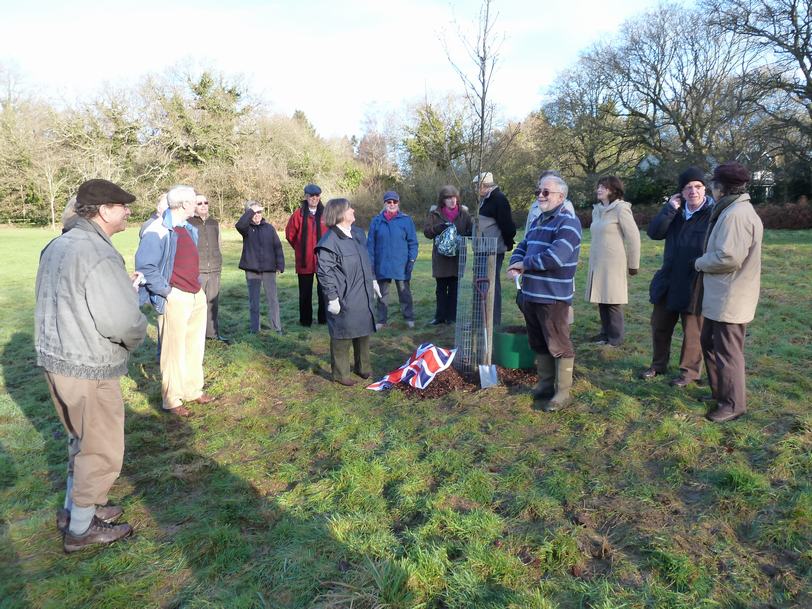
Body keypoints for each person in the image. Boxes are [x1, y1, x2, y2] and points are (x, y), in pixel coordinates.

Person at [35, 178, 147, 552]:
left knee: (79, 441)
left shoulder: (59, 244)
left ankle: (73, 509)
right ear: (103, 211)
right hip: (88, 366)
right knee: (100, 448)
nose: (128, 211)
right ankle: (81, 530)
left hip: (57, 359)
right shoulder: (97, 253)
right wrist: (137, 330)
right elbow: (119, 322)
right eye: (122, 206)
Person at [136, 184, 215, 417]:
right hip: (175, 295)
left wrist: (197, 286)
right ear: (183, 205)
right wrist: (167, 292)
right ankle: (172, 399)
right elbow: (146, 266)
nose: (197, 204)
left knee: (194, 345)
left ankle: (193, 390)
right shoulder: (157, 229)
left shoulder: (188, 228)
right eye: (193, 201)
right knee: (173, 350)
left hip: (195, 293)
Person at [694, 161, 762, 422]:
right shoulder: (730, 209)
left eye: (713, 184)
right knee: (709, 343)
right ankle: (720, 393)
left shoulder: (736, 215)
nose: (711, 188)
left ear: (720, 187)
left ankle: (734, 404)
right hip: (722, 295)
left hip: (731, 296)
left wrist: (700, 262)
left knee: (727, 352)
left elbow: (729, 258)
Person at [507, 175, 582, 411]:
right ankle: (546, 383)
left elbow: (556, 257)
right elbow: (521, 246)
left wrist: (524, 265)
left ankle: (563, 392)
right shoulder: (539, 220)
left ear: (561, 196)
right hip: (531, 293)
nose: (540, 195)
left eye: (546, 192)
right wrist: (515, 261)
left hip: (553, 296)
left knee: (559, 343)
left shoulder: (568, 223)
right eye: (539, 191)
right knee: (538, 342)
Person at [639, 167, 713, 386]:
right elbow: (654, 233)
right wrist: (670, 209)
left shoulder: (712, 215)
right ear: (681, 192)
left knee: (693, 332)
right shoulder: (675, 212)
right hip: (668, 278)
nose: (693, 191)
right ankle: (658, 365)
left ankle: (689, 373)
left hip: (695, 280)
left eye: (698, 186)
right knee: (659, 325)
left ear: (704, 189)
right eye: (688, 187)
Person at [316, 198, 378, 386]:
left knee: (363, 330)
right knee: (342, 332)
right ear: (340, 214)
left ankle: (363, 367)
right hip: (344, 295)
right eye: (349, 208)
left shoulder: (358, 233)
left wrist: (373, 279)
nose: (353, 210)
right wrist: (332, 298)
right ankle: (341, 374)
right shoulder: (329, 242)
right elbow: (324, 272)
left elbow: (366, 259)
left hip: (363, 291)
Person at [584, 175, 641, 346]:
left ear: (613, 190)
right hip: (597, 262)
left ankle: (616, 338)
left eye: (604, 187)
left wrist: (633, 265)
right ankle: (605, 333)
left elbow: (634, 237)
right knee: (601, 299)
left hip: (614, 263)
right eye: (599, 186)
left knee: (613, 301)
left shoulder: (621, 209)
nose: (599, 190)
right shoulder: (597, 210)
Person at [367, 190, 419, 329]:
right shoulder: (376, 221)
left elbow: (413, 242)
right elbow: (370, 245)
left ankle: (409, 318)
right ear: (384, 204)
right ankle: (381, 320)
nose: (392, 204)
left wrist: (412, 260)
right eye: (389, 202)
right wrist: (371, 264)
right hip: (382, 264)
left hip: (401, 265)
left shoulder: (406, 220)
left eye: (394, 202)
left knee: (404, 293)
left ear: (398, 203)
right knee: (381, 295)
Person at [423, 185, 473, 325]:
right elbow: (427, 232)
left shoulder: (464, 214)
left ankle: (452, 317)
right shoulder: (435, 214)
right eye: (448, 198)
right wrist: (438, 228)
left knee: (454, 289)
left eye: (454, 198)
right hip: (441, 259)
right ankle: (439, 317)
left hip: (457, 258)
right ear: (442, 200)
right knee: (440, 289)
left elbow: (471, 230)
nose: (452, 201)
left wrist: (467, 234)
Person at [236, 200, 285, 334]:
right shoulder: (246, 229)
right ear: (248, 213)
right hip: (252, 271)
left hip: (269, 270)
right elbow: (239, 225)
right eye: (254, 212)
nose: (257, 215)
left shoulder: (269, 228)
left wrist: (280, 264)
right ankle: (254, 330)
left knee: (273, 301)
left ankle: (277, 328)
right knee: (254, 302)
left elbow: (278, 247)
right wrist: (250, 211)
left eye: (259, 212)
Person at [474, 172, 516, 327]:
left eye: (477, 185)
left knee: (490, 285)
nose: (475, 188)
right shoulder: (485, 200)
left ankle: (493, 322)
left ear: (485, 185)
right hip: (482, 249)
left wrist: (508, 242)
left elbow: (508, 226)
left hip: (493, 251)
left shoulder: (499, 199)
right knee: (481, 284)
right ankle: (482, 320)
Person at [285, 183, 327, 326]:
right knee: (305, 293)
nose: (314, 198)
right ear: (306, 197)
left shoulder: (326, 213)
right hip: (305, 260)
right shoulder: (298, 214)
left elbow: (332, 234)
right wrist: (300, 249)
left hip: (323, 260)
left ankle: (324, 319)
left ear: (319, 197)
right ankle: (305, 321)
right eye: (311, 196)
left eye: (316, 196)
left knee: (324, 291)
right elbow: (290, 235)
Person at [188, 193, 228, 343]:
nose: (204, 205)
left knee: (213, 303)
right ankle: (195, 337)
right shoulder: (189, 223)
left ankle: (212, 335)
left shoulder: (214, 223)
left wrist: (219, 262)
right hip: (197, 270)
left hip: (214, 269)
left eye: (206, 202)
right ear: (194, 206)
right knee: (197, 306)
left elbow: (219, 244)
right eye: (200, 203)